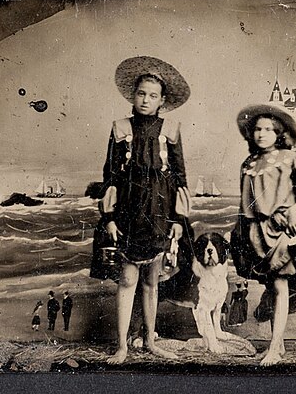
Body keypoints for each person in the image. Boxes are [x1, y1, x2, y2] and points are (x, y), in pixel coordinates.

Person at [90, 56, 193, 364]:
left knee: (152, 281)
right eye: (141, 94)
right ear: (132, 96)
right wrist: (108, 218)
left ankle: (150, 340)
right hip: (128, 212)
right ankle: (122, 345)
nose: (145, 100)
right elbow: (110, 174)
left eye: (152, 95)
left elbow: (180, 176)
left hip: (160, 211)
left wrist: (178, 220)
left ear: (162, 101)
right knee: (126, 280)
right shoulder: (120, 129)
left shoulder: (171, 130)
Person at [230, 104, 296, 366]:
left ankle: (274, 347)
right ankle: (280, 346)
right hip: (256, 232)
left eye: (268, 129)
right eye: (257, 129)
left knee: (280, 285)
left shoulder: (289, 158)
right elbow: (246, 204)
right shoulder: (248, 163)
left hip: (283, 228)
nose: (262, 134)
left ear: (279, 133)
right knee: (270, 287)